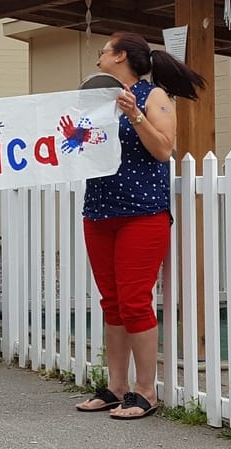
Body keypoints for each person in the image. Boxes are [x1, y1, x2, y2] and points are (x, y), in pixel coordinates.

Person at [75, 31, 206, 421]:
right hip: (99, 212)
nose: (98, 57)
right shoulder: (97, 100)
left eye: (103, 52)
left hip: (142, 213)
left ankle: (146, 391)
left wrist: (134, 113)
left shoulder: (154, 97)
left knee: (134, 301)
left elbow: (164, 149)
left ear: (120, 56)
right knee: (112, 303)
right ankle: (117, 387)